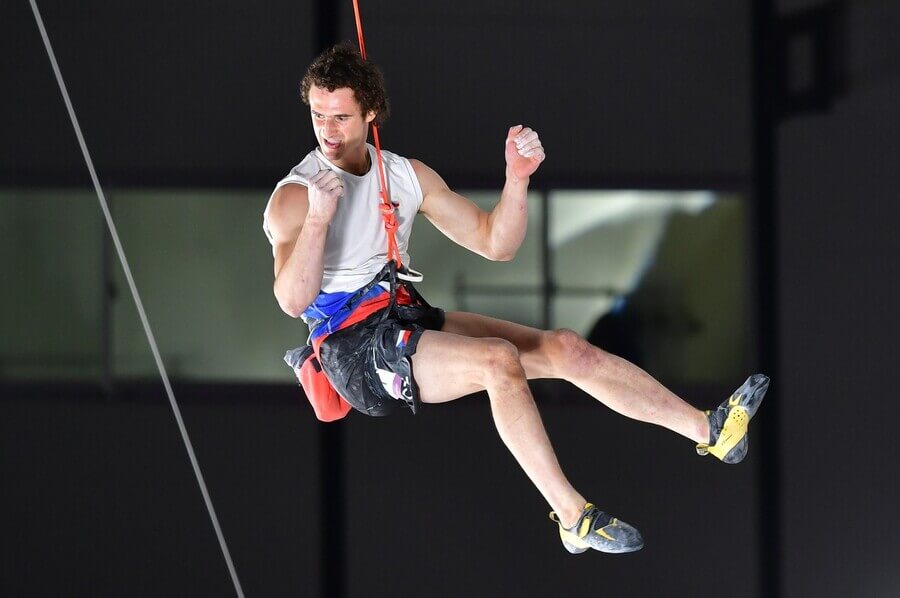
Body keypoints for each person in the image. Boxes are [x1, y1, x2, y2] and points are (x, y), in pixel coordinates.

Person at [263, 43, 769, 555]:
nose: (327, 131)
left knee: (568, 349)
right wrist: (321, 218)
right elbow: (290, 299)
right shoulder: (297, 195)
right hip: (352, 351)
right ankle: (573, 517)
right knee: (497, 361)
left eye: (341, 117)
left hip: (400, 314)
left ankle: (712, 430)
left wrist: (517, 179)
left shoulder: (405, 176)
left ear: (370, 111)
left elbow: (494, 241)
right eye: (318, 115)